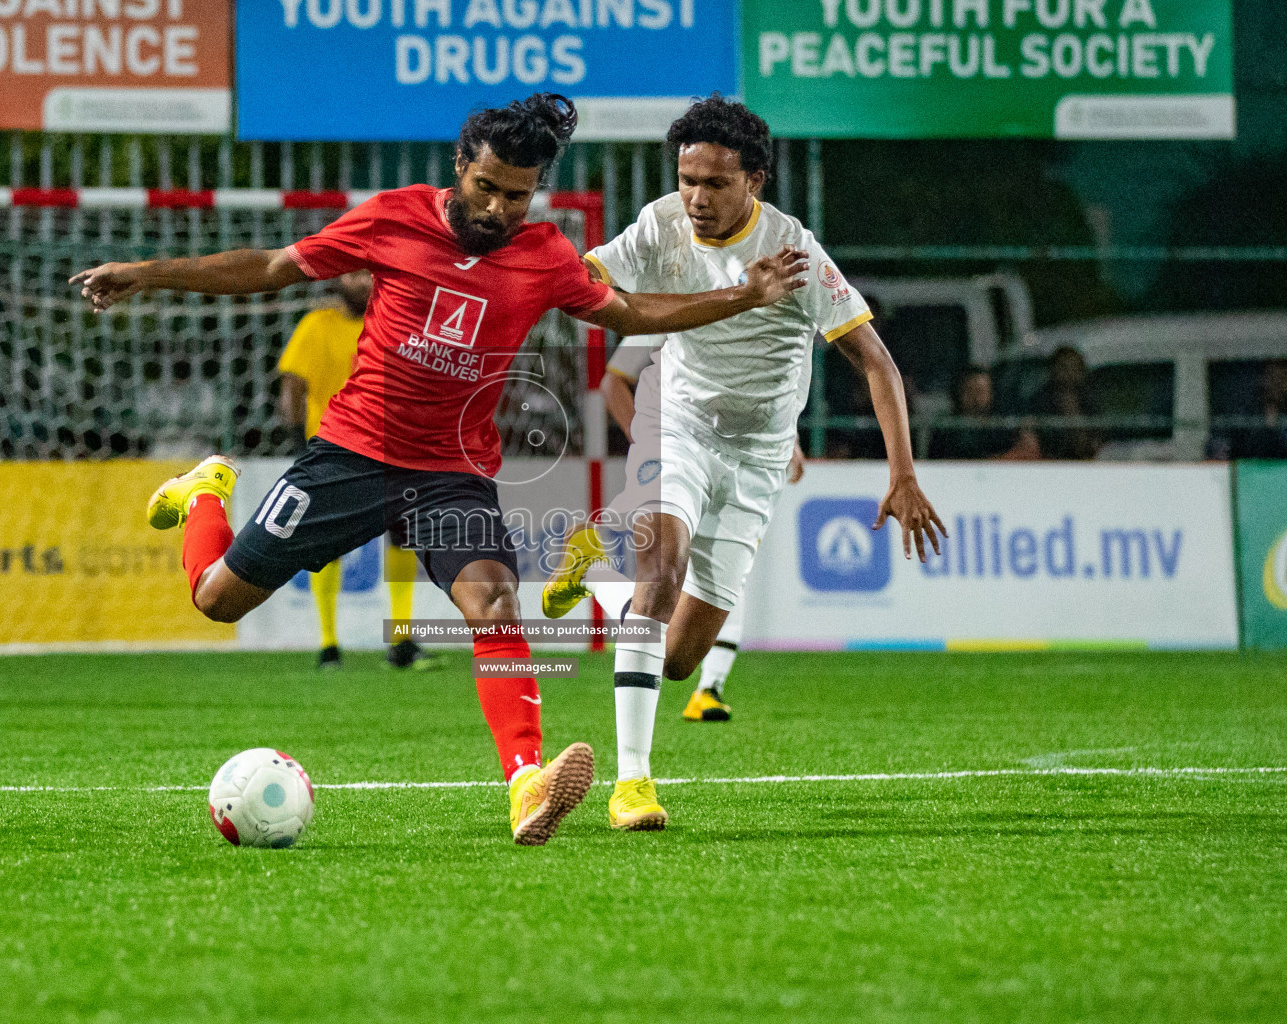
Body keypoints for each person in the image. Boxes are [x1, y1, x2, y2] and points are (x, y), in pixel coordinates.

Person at [71, 92, 810, 846]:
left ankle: (525, 782)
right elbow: (270, 266)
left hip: (452, 472)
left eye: (516, 196)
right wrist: (152, 273)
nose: (496, 208)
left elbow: (631, 313)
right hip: (354, 452)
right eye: (485, 187)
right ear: (461, 168)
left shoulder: (546, 256)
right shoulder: (392, 216)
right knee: (217, 599)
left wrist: (739, 296)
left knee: (495, 605)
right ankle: (205, 492)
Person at [542, 95, 945, 832]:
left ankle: (596, 569)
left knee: (678, 661)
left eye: (716, 182)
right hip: (680, 424)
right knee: (660, 573)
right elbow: (581, 278)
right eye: (687, 177)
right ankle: (632, 785)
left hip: (758, 455)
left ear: (753, 179)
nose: (696, 196)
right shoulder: (662, 223)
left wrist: (904, 473)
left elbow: (875, 361)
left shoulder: (795, 253)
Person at [600, 335, 807, 723]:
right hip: (678, 456)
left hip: (744, 460)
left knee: (681, 646)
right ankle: (698, 697)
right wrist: (649, 444)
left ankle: (708, 687)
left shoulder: (775, 298)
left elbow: (779, 377)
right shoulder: (676, 293)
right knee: (666, 575)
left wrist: (787, 437)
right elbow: (613, 383)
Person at [277, 269, 438, 672]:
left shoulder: (395, 324)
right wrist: (301, 448)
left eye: (370, 274)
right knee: (326, 545)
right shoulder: (318, 325)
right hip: (333, 450)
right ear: (337, 281)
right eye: (353, 275)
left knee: (403, 538)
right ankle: (329, 644)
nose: (363, 282)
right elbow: (293, 388)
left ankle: (401, 641)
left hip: (392, 449)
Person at [929, 366, 1038, 460]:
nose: (975, 398)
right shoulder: (946, 428)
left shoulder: (1003, 424)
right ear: (959, 393)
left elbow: (1028, 449)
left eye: (981, 391)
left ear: (990, 393)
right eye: (969, 391)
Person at [1029, 346, 1101, 460]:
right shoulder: (1038, 403)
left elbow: (1095, 444)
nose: (1069, 374)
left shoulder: (1090, 399)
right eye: (1064, 367)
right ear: (1053, 370)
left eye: (1075, 368)